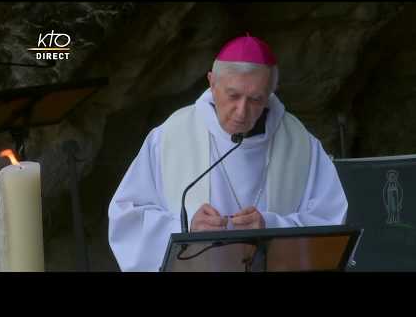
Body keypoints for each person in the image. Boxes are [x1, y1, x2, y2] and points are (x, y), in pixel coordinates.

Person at [108, 34, 348, 271]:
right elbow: (127, 218)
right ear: (212, 83)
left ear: (271, 93)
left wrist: (272, 227)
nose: (242, 112)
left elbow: (330, 220)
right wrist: (186, 226)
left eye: (255, 99)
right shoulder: (170, 137)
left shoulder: (299, 143)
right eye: (233, 96)